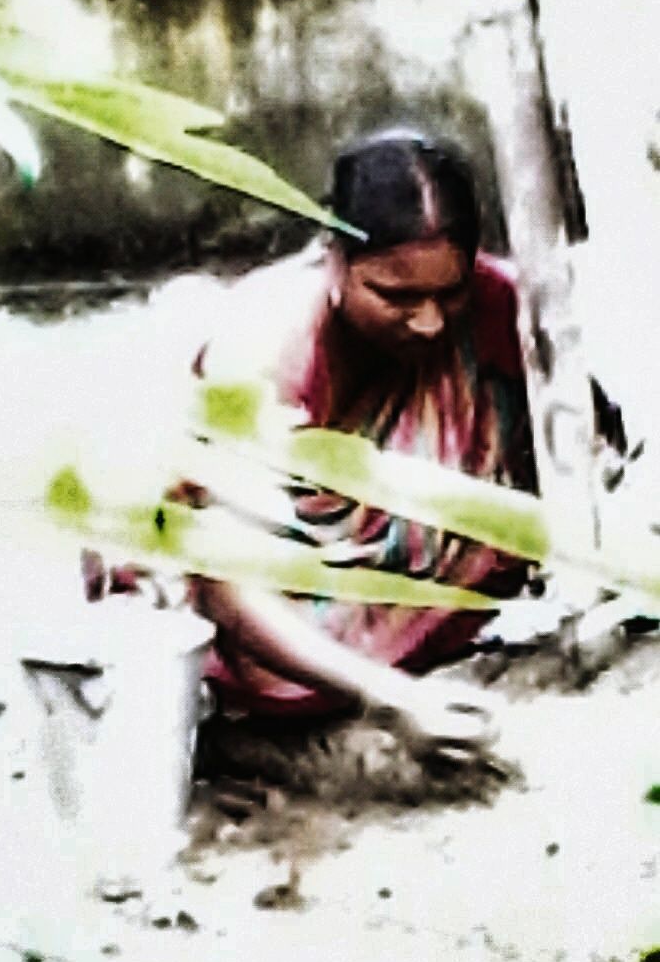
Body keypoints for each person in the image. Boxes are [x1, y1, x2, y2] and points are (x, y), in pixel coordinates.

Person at [177, 127, 538, 761]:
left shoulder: (498, 302)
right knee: (265, 662)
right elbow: (226, 580)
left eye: (447, 292)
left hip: (422, 573)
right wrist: (395, 698)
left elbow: (578, 456)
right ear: (335, 261)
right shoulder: (266, 342)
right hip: (274, 575)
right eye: (395, 296)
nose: (429, 322)